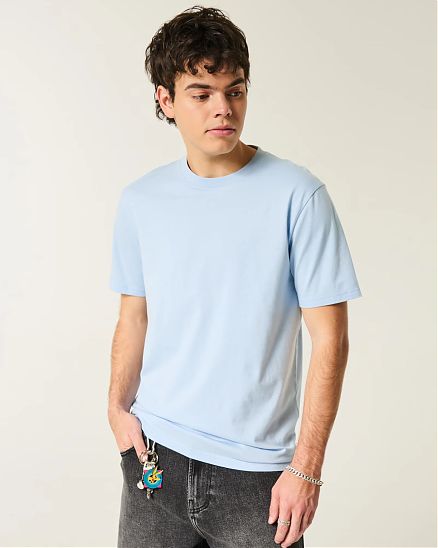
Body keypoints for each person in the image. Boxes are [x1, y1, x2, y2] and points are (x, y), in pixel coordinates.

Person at [108, 5, 362, 548]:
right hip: (155, 458)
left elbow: (331, 339)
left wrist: (307, 467)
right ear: (165, 100)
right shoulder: (141, 201)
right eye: (201, 94)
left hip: (258, 478)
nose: (223, 108)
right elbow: (134, 316)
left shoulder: (298, 196)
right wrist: (117, 410)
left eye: (235, 91)